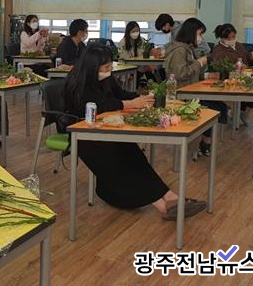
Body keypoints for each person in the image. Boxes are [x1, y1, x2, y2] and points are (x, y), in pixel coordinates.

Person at [64, 44, 206, 219]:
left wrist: (141, 99)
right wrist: (129, 104)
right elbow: (101, 104)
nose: (109, 71)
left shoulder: (105, 78)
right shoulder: (77, 83)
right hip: (84, 135)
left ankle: (170, 196)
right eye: (105, 67)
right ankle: (163, 206)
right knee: (119, 158)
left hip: (106, 130)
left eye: (109, 66)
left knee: (133, 153)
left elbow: (120, 94)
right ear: (92, 67)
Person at [164, 18, 228, 155]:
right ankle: (204, 142)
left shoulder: (188, 49)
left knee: (219, 106)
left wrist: (207, 74)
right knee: (213, 109)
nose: (201, 38)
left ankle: (204, 141)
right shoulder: (180, 50)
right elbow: (181, 73)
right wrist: (199, 63)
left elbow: (192, 73)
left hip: (191, 90)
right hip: (182, 94)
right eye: (199, 34)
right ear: (191, 33)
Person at [118, 21, 156, 85]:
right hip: (128, 68)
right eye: (133, 31)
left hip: (141, 67)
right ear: (128, 32)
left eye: (137, 31)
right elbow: (125, 59)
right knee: (135, 77)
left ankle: (154, 88)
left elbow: (144, 55)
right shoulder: (122, 43)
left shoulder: (142, 40)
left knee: (152, 76)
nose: (136, 33)